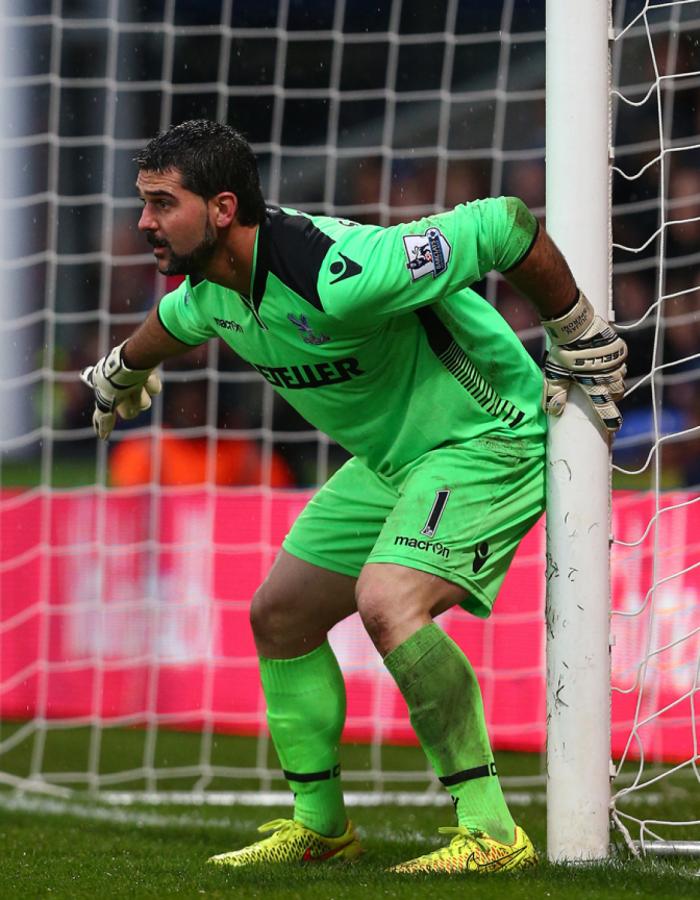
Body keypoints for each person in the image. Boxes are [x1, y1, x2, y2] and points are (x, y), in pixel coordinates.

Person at [81, 119, 627, 874]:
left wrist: (575, 329)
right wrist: (119, 369)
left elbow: (504, 225)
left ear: (222, 208)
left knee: (388, 600)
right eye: (144, 203)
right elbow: (167, 327)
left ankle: (492, 830)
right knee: (281, 614)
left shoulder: (342, 272)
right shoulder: (211, 290)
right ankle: (321, 826)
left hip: (485, 437)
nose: (144, 222)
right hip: (392, 460)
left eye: (161, 203)